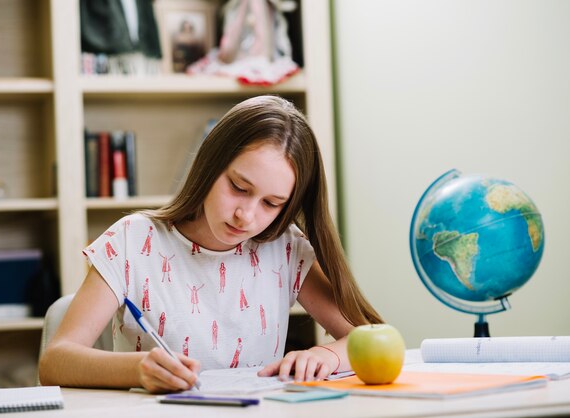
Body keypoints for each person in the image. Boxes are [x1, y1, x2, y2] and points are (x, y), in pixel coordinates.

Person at [39, 95, 382, 393]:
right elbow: (56, 361)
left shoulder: (285, 248)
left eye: (271, 203)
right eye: (239, 187)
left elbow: (370, 337)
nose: (246, 216)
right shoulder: (132, 241)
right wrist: (137, 369)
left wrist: (328, 354)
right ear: (210, 163)